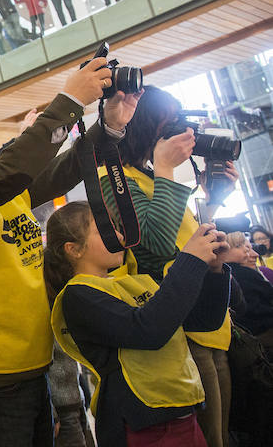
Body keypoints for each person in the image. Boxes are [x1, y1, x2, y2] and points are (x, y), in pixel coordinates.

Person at [0, 64, 138, 447]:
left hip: (33, 368)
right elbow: (15, 168)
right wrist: (69, 102)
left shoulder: (4, 190)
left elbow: (67, 167)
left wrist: (110, 126)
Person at [98, 85, 239, 447]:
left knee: (224, 435)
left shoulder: (152, 178)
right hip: (183, 339)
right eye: (171, 120)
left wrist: (215, 201)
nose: (180, 130)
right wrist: (165, 167)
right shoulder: (115, 180)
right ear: (147, 125)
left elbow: (190, 243)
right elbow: (156, 246)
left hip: (210, 328)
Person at [44, 202, 231, 447]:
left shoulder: (129, 283)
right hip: (144, 425)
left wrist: (214, 271)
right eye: (105, 230)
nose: (120, 236)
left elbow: (202, 320)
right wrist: (189, 261)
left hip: (182, 412)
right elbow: (149, 330)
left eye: (116, 228)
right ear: (74, 249)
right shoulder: (77, 297)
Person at [224, 232, 273, 350]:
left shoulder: (231, 273)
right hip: (260, 331)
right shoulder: (241, 274)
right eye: (238, 246)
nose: (252, 253)